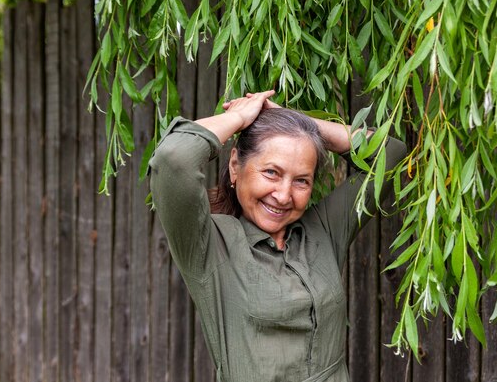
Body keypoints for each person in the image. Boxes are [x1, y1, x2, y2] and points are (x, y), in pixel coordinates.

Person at [148, 90, 407, 382]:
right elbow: (173, 160)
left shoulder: (323, 230)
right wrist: (238, 117)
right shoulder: (209, 245)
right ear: (236, 166)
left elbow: (391, 154)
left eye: (301, 181)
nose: (284, 196)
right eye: (271, 172)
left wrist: (300, 124)